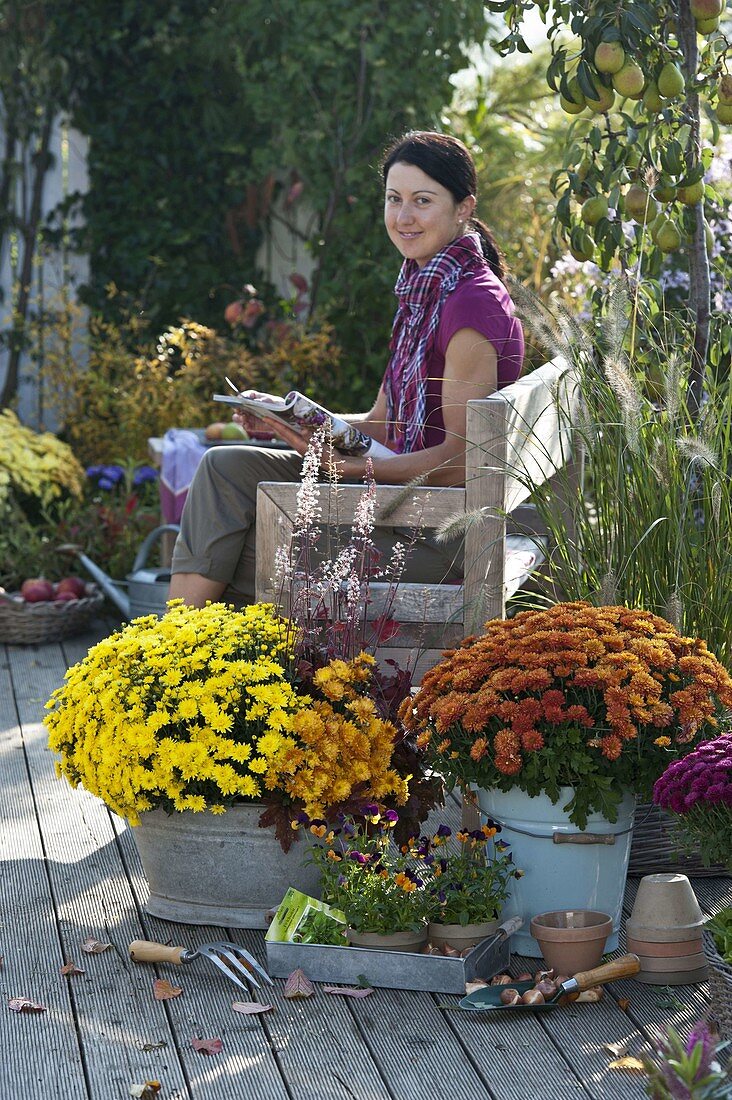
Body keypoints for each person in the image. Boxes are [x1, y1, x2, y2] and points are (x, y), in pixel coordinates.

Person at [169, 130, 524, 607]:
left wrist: (353, 468)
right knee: (224, 466)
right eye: (393, 199)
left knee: (245, 546)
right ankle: (174, 653)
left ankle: (175, 663)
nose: (402, 217)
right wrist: (286, 417)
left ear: (463, 207)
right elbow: (380, 422)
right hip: (397, 502)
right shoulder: (424, 289)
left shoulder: (470, 306)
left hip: (437, 534)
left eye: (422, 200)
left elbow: (459, 461)